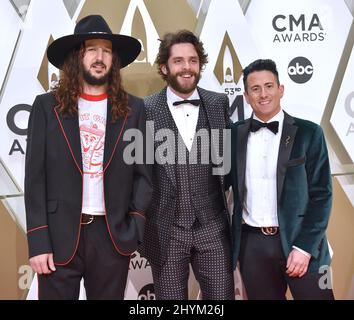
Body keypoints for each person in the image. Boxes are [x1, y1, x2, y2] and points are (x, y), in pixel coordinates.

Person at [25, 15, 152, 300]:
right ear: (76, 57)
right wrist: (38, 239)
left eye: (106, 50)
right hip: (58, 238)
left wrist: (134, 226)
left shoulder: (135, 109)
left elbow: (144, 176)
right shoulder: (46, 107)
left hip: (112, 237)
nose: (100, 57)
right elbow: (35, 179)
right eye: (91, 49)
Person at [228, 58, 334, 300]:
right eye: (255, 89)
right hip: (252, 246)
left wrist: (304, 247)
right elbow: (216, 183)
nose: (263, 94)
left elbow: (322, 195)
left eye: (269, 86)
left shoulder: (310, 133)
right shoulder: (233, 135)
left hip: (303, 243)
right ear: (246, 95)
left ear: (281, 89)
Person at [142, 30, 234, 300]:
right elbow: (139, 172)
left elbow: (228, 165)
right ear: (164, 67)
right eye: (179, 61)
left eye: (193, 61)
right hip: (165, 231)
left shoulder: (219, 104)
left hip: (213, 227)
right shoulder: (145, 109)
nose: (187, 68)